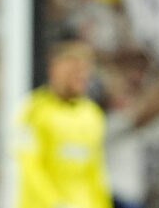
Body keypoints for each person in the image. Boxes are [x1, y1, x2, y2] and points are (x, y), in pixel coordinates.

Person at [14, 40, 112, 208]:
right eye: (73, 70)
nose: (80, 77)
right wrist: (56, 203)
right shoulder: (33, 110)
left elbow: (95, 173)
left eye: (83, 71)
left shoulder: (92, 114)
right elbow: (29, 167)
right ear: (54, 70)